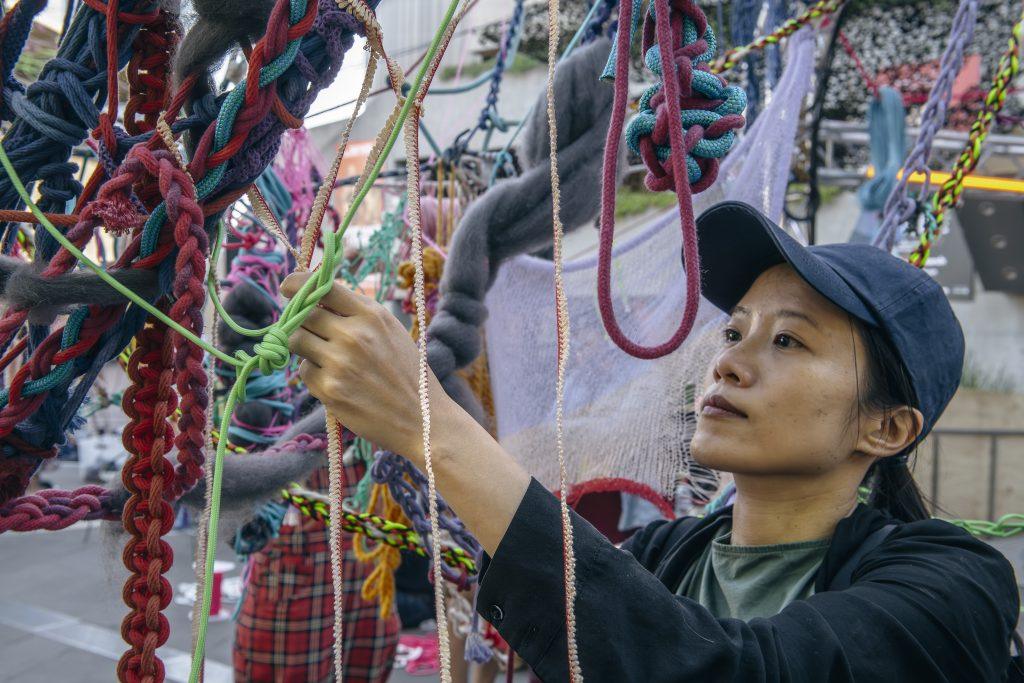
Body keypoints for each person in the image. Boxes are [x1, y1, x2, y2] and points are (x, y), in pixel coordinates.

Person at [282, 201, 1020, 682]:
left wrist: (431, 426)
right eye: (734, 331)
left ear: (886, 427)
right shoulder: (665, 555)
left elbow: (717, 671)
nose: (726, 360)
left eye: (789, 339)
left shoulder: (954, 588)